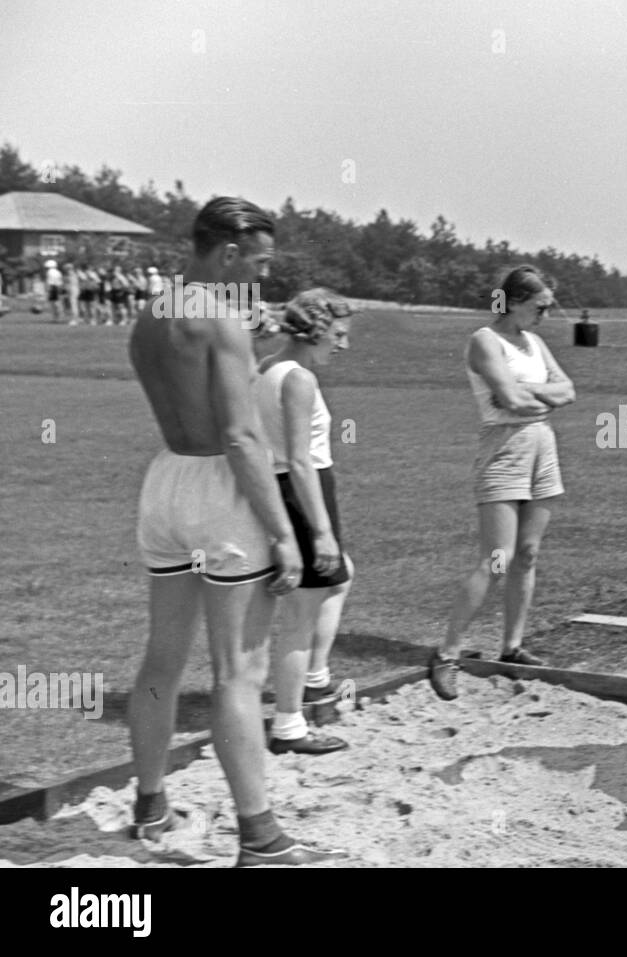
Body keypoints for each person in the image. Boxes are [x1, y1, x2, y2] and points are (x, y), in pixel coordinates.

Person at [127, 196, 339, 866]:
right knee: (237, 673)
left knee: (162, 657)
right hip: (221, 488)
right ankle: (260, 835)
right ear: (228, 252)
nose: (263, 274)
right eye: (259, 260)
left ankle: (150, 798)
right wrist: (283, 532)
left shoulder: (151, 313)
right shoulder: (220, 318)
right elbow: (244, 438)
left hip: (166, 480)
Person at [428, 265, 576, 700]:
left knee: (527, 554)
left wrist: (526, 395)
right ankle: (447, 653)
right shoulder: (484, 341)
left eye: (548, 307)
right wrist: (533, 396)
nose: (545, 315)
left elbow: (568, 390)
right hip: (503, 449)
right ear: (513, 302)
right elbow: (507, 400)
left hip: (542, 448)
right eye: (540, 307)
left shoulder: (535, 343)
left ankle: (511, 647)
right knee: (497, 558)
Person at [255, 288, 355, 755]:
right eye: (338, 334)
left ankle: (315, 678)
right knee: (301, 614)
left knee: (341, 577)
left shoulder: (266, 367)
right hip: (300, 489)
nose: (343, 345)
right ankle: (290, 724)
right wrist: (321, 530)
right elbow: (298, 460)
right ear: (315, 331)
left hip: (285, 486)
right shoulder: (298, 379)